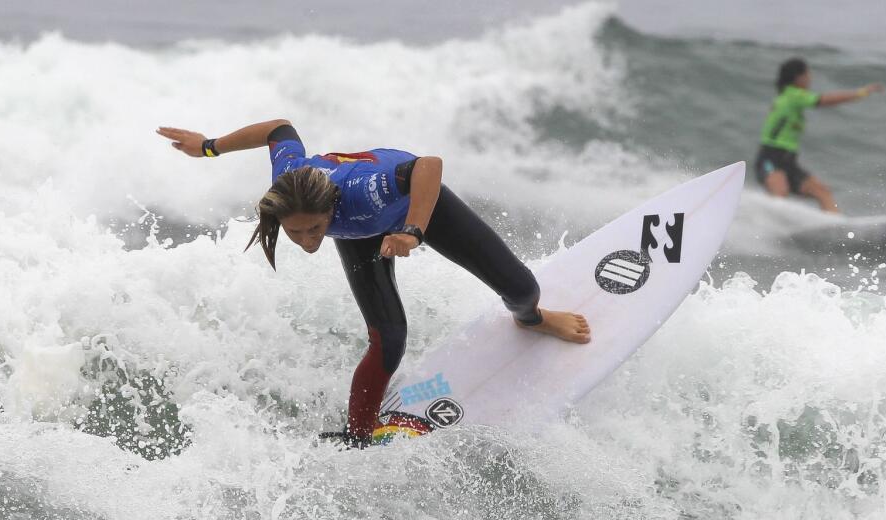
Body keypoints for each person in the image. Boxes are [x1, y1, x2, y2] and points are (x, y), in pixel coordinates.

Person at [156, 120, 591, 446]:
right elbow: (279, 129)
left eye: (314, 230)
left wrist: (413, 231)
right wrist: (209, 148)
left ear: (330, 209)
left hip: (421, 208)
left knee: (521, 289)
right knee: (389, 339)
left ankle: (531, 321)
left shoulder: (364, 190)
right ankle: (359, 434)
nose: (308, 241)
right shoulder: (288, 181)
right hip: (361, 233)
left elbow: (427, 166)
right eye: (297, 233)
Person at [756, 57, 884, 212]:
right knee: (780, 194)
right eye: (807, 74)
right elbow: (823, 100)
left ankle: (837, 229)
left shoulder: (788, 97)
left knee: (823, 192)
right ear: (798, 77)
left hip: (789, 161)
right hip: (771, 157)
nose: (810, 78)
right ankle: (769, 229)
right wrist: (861, 93)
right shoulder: (793, 96)